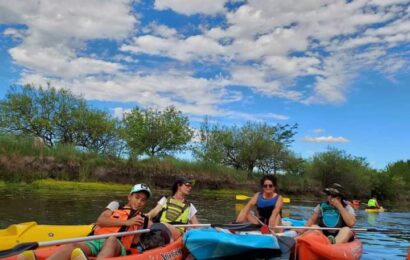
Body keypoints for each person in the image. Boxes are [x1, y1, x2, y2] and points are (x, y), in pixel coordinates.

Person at [18, 183, 152, 260]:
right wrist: (127, 223)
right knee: (73, 245)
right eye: (137, 197)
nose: (139, 202)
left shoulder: (143, 219)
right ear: (130, 196)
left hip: (118, 246)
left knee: (111, 239)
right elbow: (101, 220)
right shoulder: (115, 205)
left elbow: (135, 243)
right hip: (97, 240)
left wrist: (138, 230)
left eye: (143, 200)